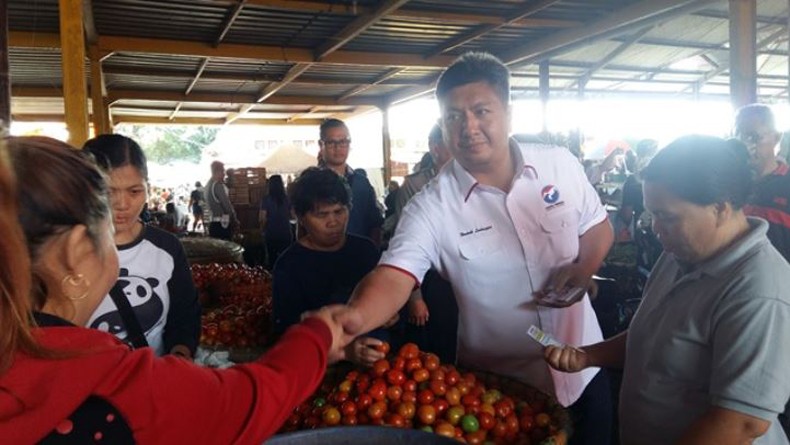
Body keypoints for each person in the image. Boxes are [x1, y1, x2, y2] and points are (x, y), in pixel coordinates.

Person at [333, 52, 615, 444]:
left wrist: (585, 268)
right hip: (501, 395)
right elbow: (394, 276)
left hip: (584, 365)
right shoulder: (432, 205)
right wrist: (349, 322)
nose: (468, 127)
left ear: (509, 113)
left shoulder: (559, 165)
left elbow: (598, 229)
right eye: (453, 117)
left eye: (481, 111)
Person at [0, 136, 348, 444]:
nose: (122, 210)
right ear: (77, 251)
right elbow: (248, 400)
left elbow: (186, 312)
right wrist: (317, 336)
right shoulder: (112, 384)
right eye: (105, 231)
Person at [545, 135, 790, 445]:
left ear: (720, 209)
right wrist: (588, 356)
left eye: (667, 217)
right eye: (652, 214)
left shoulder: (759, 291)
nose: (655, 229)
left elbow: (740, 423)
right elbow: (651, 335)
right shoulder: (678, 254)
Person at [83, 134, 200, 358]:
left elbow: (184, 316)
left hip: (150, 383)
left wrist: (179, 358)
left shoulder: (166, 248)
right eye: (108, 192)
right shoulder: (66, 251)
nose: (123, 204)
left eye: (134, 191)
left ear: (147, 188)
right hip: (88, 386)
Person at [272, 168, 389, 366]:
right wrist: (344, 350)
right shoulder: (289, 266)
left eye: (339, 211)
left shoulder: (366, 251)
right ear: (301, 217)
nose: (333, 222)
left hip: (380, 365)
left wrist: (389, 313)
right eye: (322, 215)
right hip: (324, 370)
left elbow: (387, 297)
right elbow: (289, 332)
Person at [395, 122, 458, 364]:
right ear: (435, 148)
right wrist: (415, 297)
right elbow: (404, 249)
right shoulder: (413, 186)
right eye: (451, 142)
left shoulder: (471, 179)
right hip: (430, 280)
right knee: (434, 348)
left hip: (463, 277)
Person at [735, 104, 790, 263]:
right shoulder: (727, 184)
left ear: (776, 138)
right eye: (739, 136)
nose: (745, 145)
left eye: (753, 137)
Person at [318, 118, 384, 247]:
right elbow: (302, 228)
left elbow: (375, 224)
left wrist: (372, 253)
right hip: (321, 258)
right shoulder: (310, 184)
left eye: (343, 142)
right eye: (331, 142)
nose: (338, 148)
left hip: (359, 257)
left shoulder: (362, 183)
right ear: (321, 145)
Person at [260, 174, 293, 269]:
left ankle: (273, 280)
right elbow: (293, 215)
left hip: (271, 233)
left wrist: (262, 231)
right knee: (286, 259)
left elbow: (263, 219)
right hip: (286, 232)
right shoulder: (287, 199)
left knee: (272, 260)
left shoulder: (266, 200)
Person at [205, 160, 238, 240]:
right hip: (222, 224)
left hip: (213, 223)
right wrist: (234, 219)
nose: (224, 174)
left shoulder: (207, 186)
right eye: (223, 171)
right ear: (218, 171)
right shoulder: (217, 185)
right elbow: (227, 205)